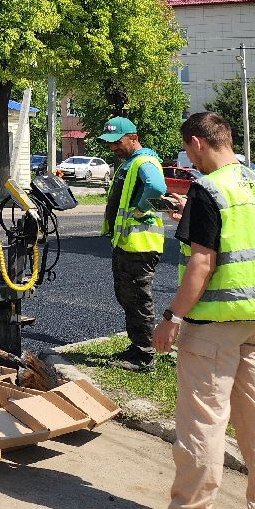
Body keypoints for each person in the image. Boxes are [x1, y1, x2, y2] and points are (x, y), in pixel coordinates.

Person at [130, 112, 255, 509]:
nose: (187, 158)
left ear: (198, 143)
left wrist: (171, 317)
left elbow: (202, 265)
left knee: (203, 421)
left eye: (186, 149)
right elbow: (250, 239)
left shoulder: (208, 188)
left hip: (216, 323)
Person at [98, 116, 168, 372]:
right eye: (110, 144)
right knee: (127, 297)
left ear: (133, 137)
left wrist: (140, 209)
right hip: (127, 244)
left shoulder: (144, 161)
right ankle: (137, 345)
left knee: (138, 298)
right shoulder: (130, 163)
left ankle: (145, 355)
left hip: (140, 245)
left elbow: (156, 186)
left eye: (117, 142)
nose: (113, 147)